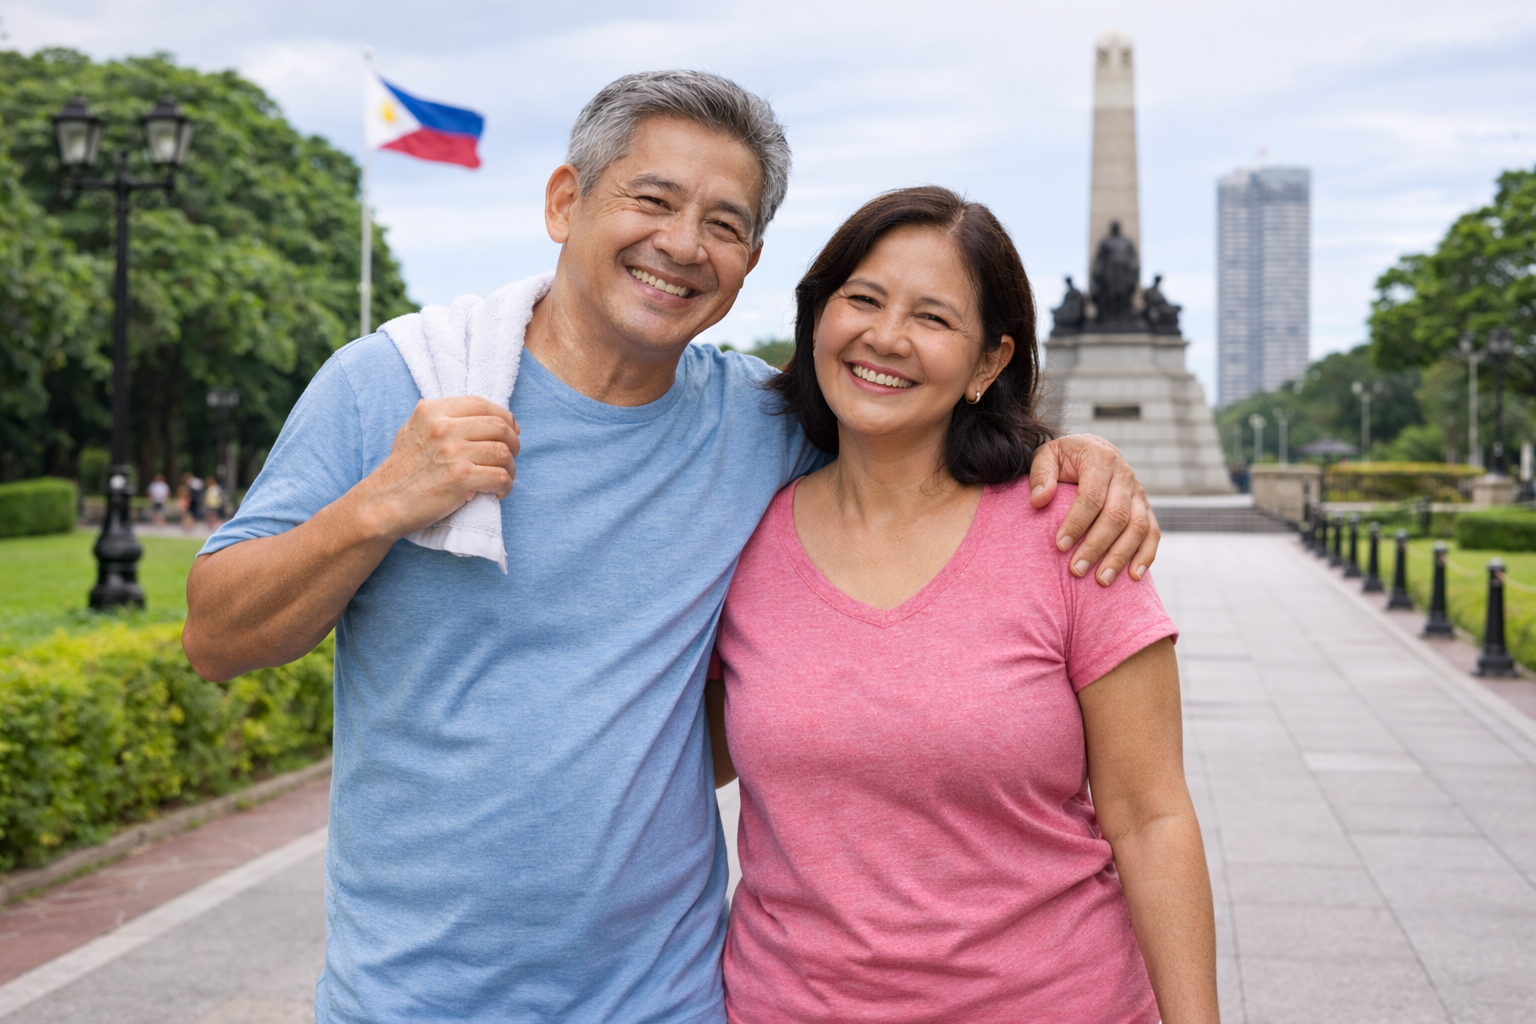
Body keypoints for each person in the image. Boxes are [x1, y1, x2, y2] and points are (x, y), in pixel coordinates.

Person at [182, 71, 1160, 1023]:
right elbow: (218, 638)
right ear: (565, 202)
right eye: (652, 200)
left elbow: (912, 436)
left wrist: (1073, 455)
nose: (683, 245)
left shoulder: (762, 426)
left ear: (752, 261)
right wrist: (377, 506)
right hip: (411, 995)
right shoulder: (397, 385)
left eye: (724, 225)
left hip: (668, 994)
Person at [707, 187, 1217, 1023]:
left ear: (989, 362)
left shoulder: (1075, 531)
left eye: (933, 318)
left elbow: (1150, 815)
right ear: (818, 317)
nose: (886, 337)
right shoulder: (740, 538)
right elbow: (688, 757)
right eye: (862, 300)